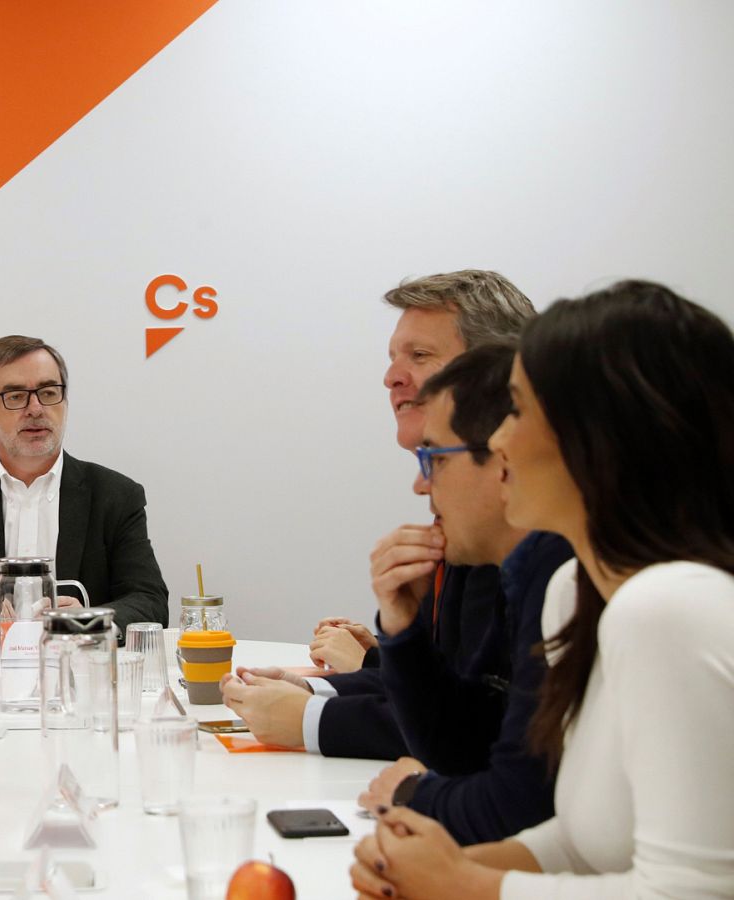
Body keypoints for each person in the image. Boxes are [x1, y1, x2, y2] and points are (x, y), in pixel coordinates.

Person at [351, 281, 734, 898]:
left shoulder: (668, 610)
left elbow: (695, 892)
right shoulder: (574, 592)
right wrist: (440, 868)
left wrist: (467, 887)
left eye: (519, 412)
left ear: (597, 439)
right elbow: (583, 839)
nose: (499, 440)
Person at [226, 272, 536, 759]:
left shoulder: (529, 536)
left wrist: (310, 718)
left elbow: (487, 733)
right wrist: (336, 681)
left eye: (419, 355)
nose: (392, 377)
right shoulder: (469, 521)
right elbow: (457, 700)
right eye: (392, 357)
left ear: (492, 373)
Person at [355, 344, 572, 843]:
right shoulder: (526, 567)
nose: (418, 484)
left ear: (505, 456)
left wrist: (413, 796)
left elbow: (522, 803)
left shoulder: (561, 571)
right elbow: (470, 746)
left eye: (432, 457)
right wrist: (402, 628)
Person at [0, 335, 168, 647]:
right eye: (16, 396)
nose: (35, 409)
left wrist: (89, 621)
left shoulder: (116, 494)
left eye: (49, 392)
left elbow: (150, 600)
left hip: (81, 676)